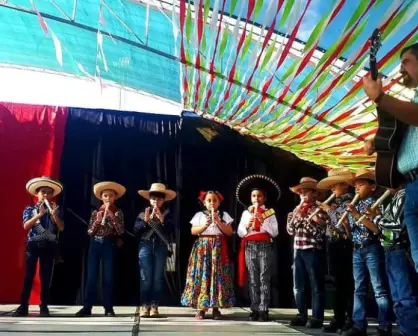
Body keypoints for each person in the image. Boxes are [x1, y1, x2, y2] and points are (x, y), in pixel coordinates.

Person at [363, 43, 418, 273]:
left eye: (406, 62)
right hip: (412, 185)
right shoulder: (413, 98)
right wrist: (378, 143)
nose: (401, 69)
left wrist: (380, 98)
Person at [343, 168, 391, 336]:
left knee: (379, 288)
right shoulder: (354, 204)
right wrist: (346, 224)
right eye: (355, 186)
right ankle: (359, 325)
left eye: (361, 184)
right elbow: (350, 235)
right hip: (357, 250)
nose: (356, 188)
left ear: (372, 187)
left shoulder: (375, 204)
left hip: (372, 248)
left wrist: (356, 215)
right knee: (359, 289)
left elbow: (377, 229)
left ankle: (384, 326)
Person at [367, 185, 418, 336]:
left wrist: (374, 217)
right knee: (397, 299)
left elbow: (395, 226)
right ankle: (404, 330)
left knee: (405, 297)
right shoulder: (394, 198)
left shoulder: (404, 195)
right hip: (389, 250)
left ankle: (411, 332)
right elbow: (384, 228)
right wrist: (377, 216)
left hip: (400, 250)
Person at [13, 176, 64, 317]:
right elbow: (25, 226)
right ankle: (23, 306)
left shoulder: (55, 209)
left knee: (45, 277)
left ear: (52, 195)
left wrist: (55, 216)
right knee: (29, 276)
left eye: (48, 192)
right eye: (43, 192)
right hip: (33, 245)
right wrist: (38, 215)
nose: (46, 195)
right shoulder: (29, 209)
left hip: (49, 246)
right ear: (37, 194)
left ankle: (44, 306)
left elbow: (61, 227)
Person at [181, 191, 235, 320]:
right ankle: (201, 308)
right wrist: (205, 225)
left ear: (219, 202)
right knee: (203, 275)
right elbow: (193, 231)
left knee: (217, 276)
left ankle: (216, 308)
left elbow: (229, 232)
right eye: (209, 200)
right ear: (204, 203)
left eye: (214, 200)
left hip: (218, 248)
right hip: (203, 248)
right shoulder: (199, 215)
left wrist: (218, 222)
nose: (212, 203)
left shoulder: (223, 215)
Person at [76, 181, 125, 317]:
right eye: (105, 196)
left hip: (109, 244)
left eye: (111, 196)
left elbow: (121, 231)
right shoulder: (96, 212)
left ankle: (108, 308)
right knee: (91, 276)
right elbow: (90, 232)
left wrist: (111, 218)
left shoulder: (118, 213)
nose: (108, 198)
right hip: (95, 244)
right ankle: (87, 307)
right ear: (101, 197)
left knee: (108, 277)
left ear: (115, 197)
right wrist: (98, 221)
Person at [236, 174, 280, 322]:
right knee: (253, 278)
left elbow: (275, 232)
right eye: (254, 196)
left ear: (264, 198)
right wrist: (247, 226)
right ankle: (254, 308)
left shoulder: (269, 213)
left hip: (264, 246)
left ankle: (264, 308)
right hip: (250, 246)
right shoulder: (245, 213)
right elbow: (240, 232)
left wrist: (264, 222)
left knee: (264, 277)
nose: (256, 199)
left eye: (259, 196)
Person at [287, 177, 328, 329]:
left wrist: (306, 219)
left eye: (306, 192)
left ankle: (317, 317)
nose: (303, 195)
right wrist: (295, 217)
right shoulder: (295, 210)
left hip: (313, 250)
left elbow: (319, 233)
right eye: (300, 193)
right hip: (298, 250)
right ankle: (301, 314)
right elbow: (290, 230)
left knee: (316, 286)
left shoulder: (320, 209)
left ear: (314, 193)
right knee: (298, 285)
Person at [317, 168, 354, 333]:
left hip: (344, 246)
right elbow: (331, 225)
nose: (332, 189)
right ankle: (338, 318)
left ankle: (348, 318)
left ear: (345, 185)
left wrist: (329, 211)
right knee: (337, 283)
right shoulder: (336, 203)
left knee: (346, 284)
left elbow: (344, 223)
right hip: (332, 245)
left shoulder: (349, 202)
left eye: (335, 185)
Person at [135, 183, 176, 318]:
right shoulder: (142, 213)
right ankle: (144, 305)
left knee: (157, 277)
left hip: (161, 246)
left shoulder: (167, 214)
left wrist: (162, 220)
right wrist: (146, 221)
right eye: (153, 199)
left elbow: (171, 230)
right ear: (149, 199)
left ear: (163, 200)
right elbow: (136, 230)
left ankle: (154, 305)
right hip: (145, 246)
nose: (156, 201)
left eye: (159, 199)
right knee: (145, 277)